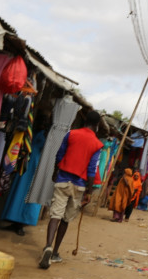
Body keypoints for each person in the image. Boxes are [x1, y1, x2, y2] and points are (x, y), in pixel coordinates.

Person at [39, 110, 103, 269]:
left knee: (55, 215)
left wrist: (55, 172)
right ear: (97, 125)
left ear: (85, 120)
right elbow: (91, 169)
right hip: (79, 185)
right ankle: (55, 253)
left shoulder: (71, 134)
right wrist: (89, 191)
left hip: (62, 180)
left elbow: (59, 155)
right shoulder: (97, 144)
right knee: (66, 219)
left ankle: (48, 245)